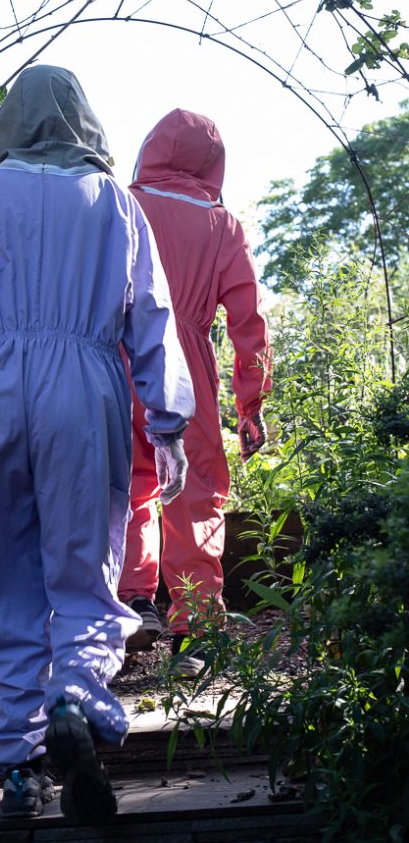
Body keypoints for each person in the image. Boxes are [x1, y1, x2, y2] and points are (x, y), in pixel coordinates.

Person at [0, 66, 195, 823]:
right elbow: (151, 316)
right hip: (82, 384)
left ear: (9, 121)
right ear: (84, 121)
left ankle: (14, 755)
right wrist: (165, 425)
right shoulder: (114, 203)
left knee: (9, 565)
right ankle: (74, 694)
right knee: (81, 563)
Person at [117, 109, 272, 673]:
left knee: (130, 481)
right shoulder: (221, 222)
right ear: (213, 163)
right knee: (196, 490)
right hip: (187, 365)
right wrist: (249, 405)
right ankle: (196, 633)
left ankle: (134, 602)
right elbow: (248, 319)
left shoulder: (122, 203)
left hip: (121, 357)